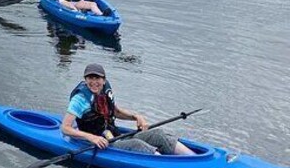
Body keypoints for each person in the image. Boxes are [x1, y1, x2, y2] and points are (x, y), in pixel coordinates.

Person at [61, 63, 196, 155]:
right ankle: (168, 166)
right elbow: (65, 128)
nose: (94, 82)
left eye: (97, 78)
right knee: (137, 144)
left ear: (104, 80)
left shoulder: (104, 90)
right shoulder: (79, 99)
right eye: (90, 78)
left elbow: (115, 111)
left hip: (114, 135)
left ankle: (192, 158)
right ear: (85, 79)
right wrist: (92, 138)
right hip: (100, 143)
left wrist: (137, 117)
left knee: (158, 134)